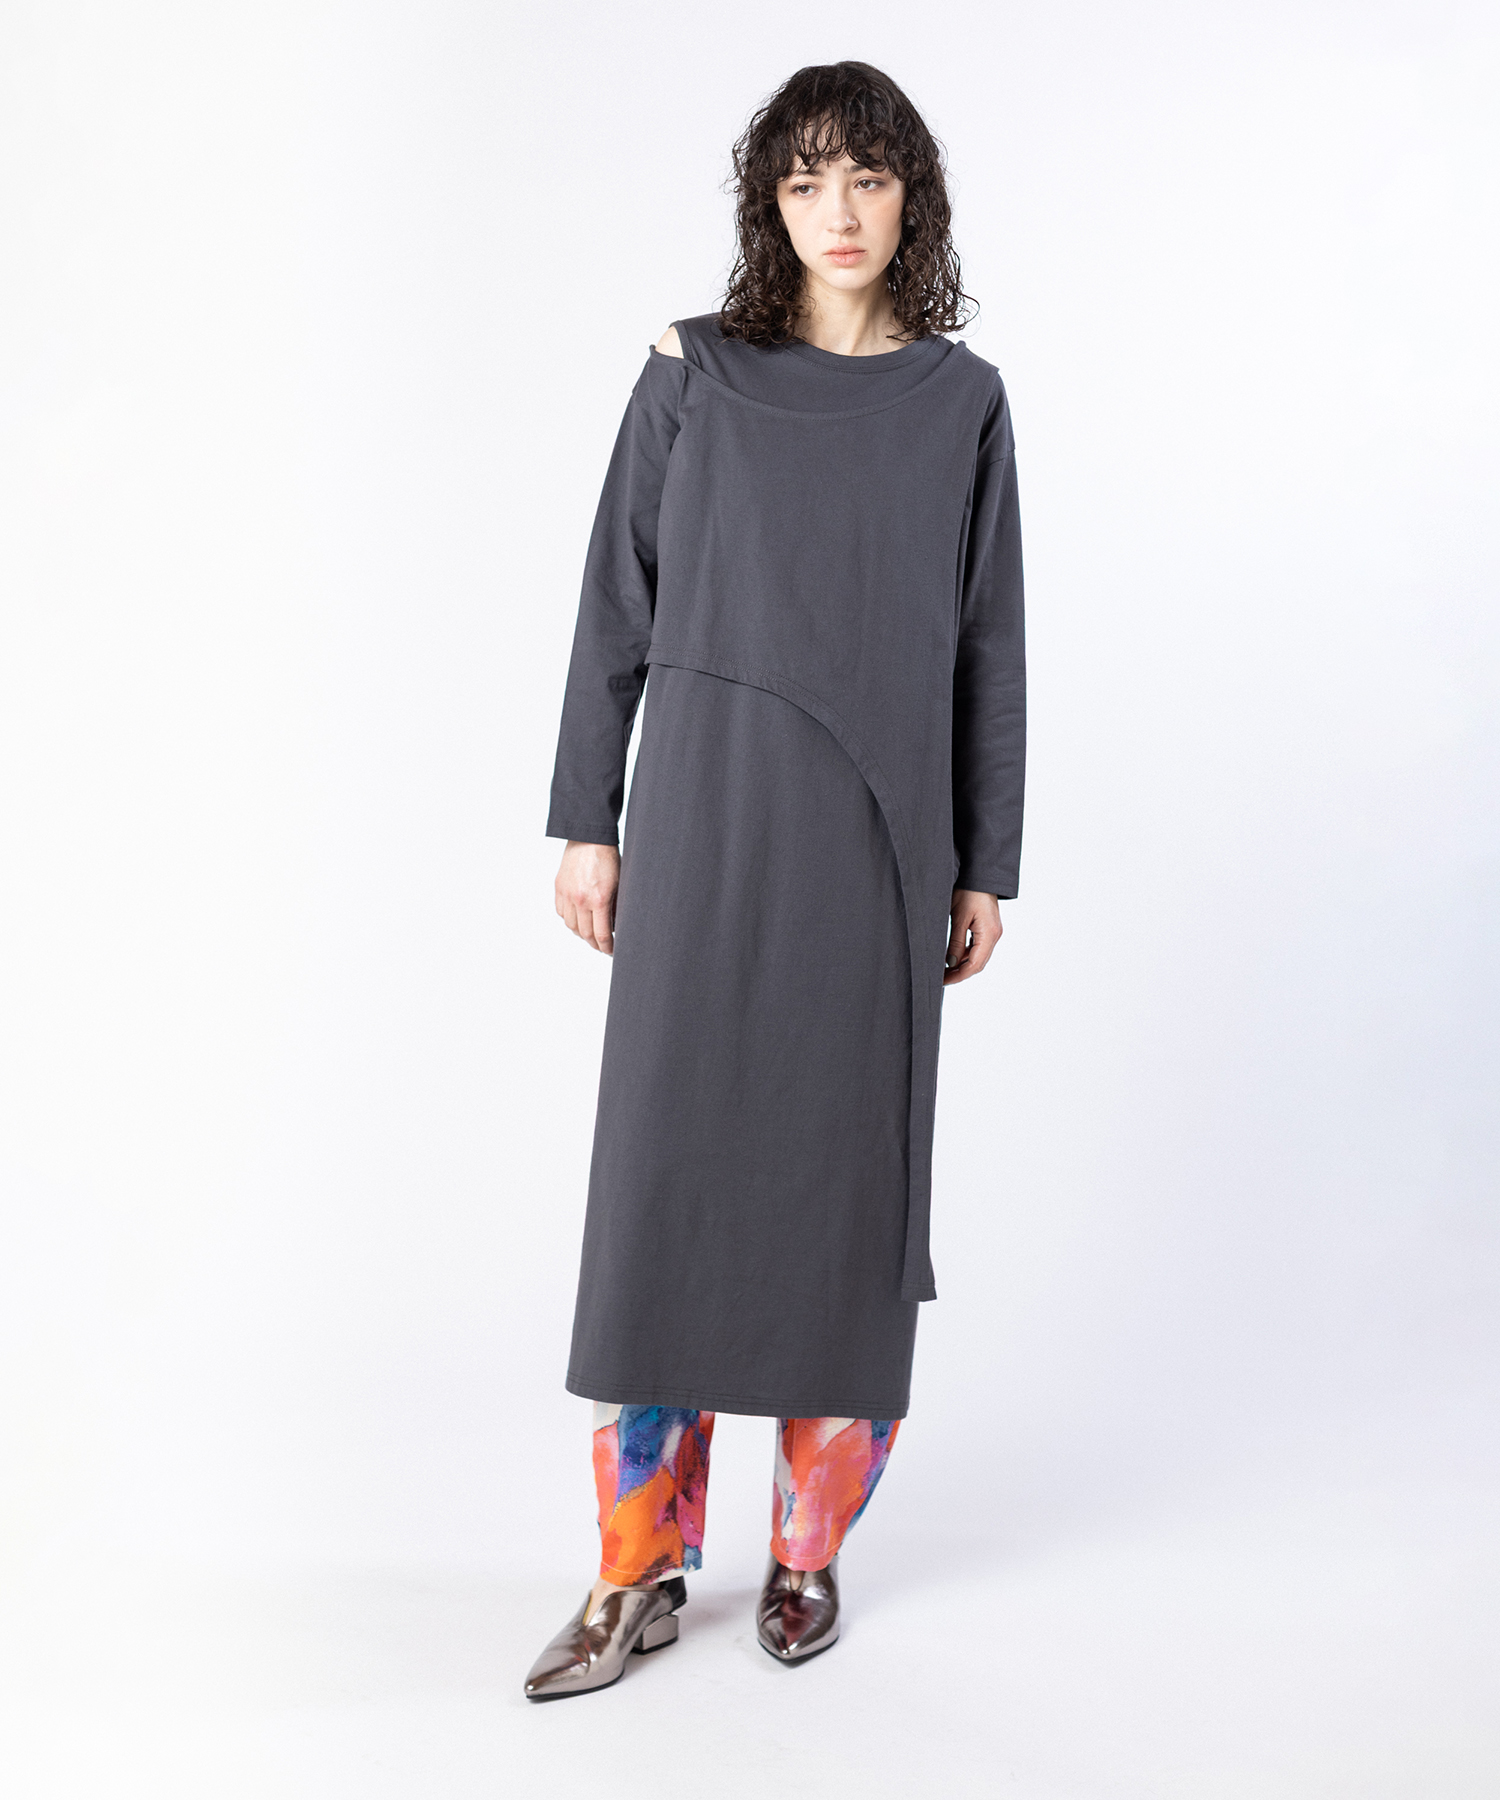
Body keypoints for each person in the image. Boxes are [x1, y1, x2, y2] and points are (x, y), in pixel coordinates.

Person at [525, 60, 1025, 1699]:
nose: (839, 211)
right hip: (708, 816)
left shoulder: (962, 403)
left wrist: (987, 859)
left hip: (880, 843)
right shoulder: (695, 373)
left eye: (868, 176)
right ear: (771, 204)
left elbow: (986, 644)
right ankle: (637, 1567)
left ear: (911, 196)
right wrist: (589, 818)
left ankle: (807, 1552)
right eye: (807, 180)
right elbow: (617, 600)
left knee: (843, 1189)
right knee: (666, 1180)